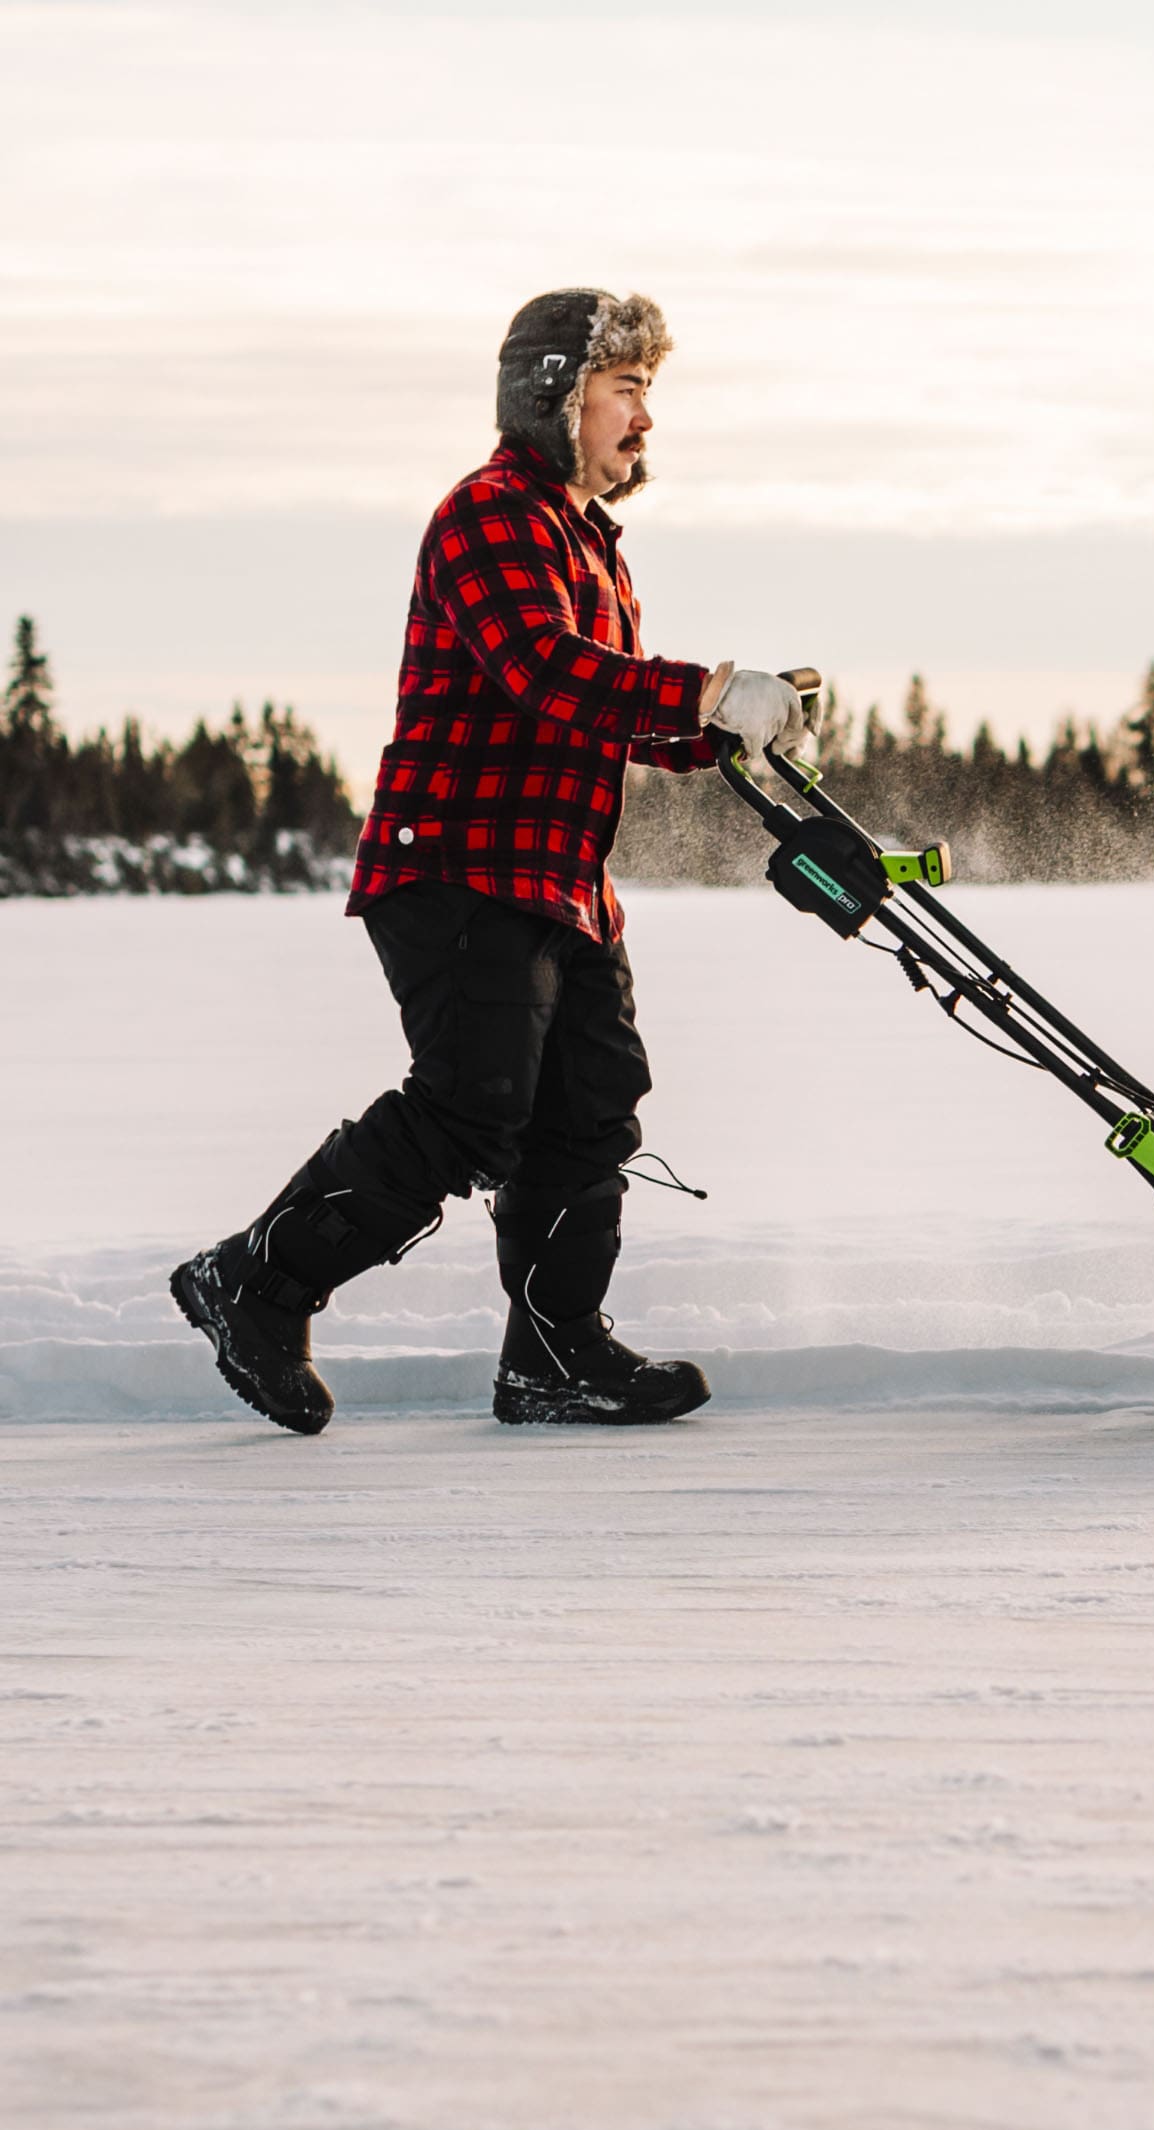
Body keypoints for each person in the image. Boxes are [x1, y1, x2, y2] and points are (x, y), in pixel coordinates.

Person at [171, 287, 813, 1431]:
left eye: (648, 393)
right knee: (475, 1110)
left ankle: (553, 1356)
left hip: (561, 883)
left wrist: (734, 721)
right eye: (626, 391)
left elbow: (611, 716)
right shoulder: (489, 516)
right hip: (458, 868)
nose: (645, 419)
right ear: (554, 396)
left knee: (590, 1115)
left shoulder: (592, 544)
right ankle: (253, 1282)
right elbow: (542, 670)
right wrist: (707, 687)